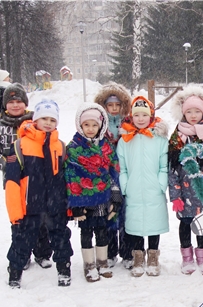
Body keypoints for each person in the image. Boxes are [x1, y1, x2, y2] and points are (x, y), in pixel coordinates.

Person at [4, 98, 74, 288]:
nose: (48, 123)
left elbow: (66, 178)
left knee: (61, 238)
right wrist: (15, 213)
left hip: (55, 204)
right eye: (44, 119)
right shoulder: (20, 145)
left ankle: (64, 270)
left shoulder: (60, 145)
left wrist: (68, 205)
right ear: (35, 119)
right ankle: (15, 272)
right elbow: (11, 182)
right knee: (22, 241)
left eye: (52, 120)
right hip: (30, 206)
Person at [0, 83, 53, 269]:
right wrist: (7, 167)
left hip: (35, 181)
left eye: (19, 101)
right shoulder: (0, 127)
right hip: (13, 184)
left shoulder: (36, 122)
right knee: (18, 219)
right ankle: (22, 255)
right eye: (11, 102)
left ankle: (42, 253)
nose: (15, 105)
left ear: (25, 103)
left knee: (40, 218)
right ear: (5, 104)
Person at [168, 85, 203, 275]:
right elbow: (172, 169)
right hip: (184, 191)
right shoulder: (177, 138)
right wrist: (175, 195)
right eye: (189, 111)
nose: (193, 115)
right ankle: (187, 257)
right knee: (185, 224)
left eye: (197, 111)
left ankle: (202, 257)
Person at [64, 103, 121, 282]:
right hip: (84, 200)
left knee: (102, 231)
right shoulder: (73, 147)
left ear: (101, 126)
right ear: (80, 126)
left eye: (94, 125)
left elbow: (113, 170)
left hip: (103, 198)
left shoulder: (107, 146)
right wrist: (76, 205)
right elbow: (71, 176)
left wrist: (115, 194)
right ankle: (89, 265)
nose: (90, 129)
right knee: (87, 232)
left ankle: (102, 262)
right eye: (86, 125)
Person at [116, 96, 169, 277]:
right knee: (135, 224)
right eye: (136, 114)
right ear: (131, 116)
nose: (140, 119)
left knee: (154, 223)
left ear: (151, 115)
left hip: (154, 190)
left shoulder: (160, 139)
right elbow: (121, 167)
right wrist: (125, 186)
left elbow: (164, 166)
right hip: (134, 190)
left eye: (144, 115)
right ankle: (138, 256)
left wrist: (161, 184)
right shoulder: (125, 140)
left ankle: (153, 256)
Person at [94, 82, 131, 267]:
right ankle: (110, 252)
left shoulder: (128, 124)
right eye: (110, 105)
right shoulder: (99, 126)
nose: (114, 109)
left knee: (125, 214)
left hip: (125, 173)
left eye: (117, 105)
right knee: (110, 214)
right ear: (104, 106)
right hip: (107, 174)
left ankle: (126, 252)